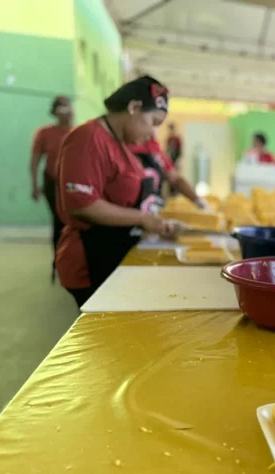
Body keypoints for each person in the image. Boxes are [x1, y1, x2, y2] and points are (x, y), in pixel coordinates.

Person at [56, 76, 179, 307]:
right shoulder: (89, 138)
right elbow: (84, 205)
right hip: (90, 257)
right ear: (134, 107)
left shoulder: (119, 143)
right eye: (153, 121)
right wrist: (143, 219)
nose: (153, 133)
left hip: (113, 250)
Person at [30, 96, 72, 281]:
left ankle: (70, 262)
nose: (65, 110)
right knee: (59, 221)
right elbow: (35, 160)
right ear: (54, 111)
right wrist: (34, 185)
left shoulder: (78, 132)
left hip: (71, 184)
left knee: (72, 223)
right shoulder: (45, 132)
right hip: (52, 183)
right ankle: (58, 263)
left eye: (67, 106)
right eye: (60, 107)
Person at [128, 137, 207, 209]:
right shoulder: (121, 148)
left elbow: (175, 178)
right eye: (153, 122)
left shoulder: (151, 145)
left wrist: (198, 201)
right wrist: (142, 219)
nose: (153, 131)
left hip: (153, 213)